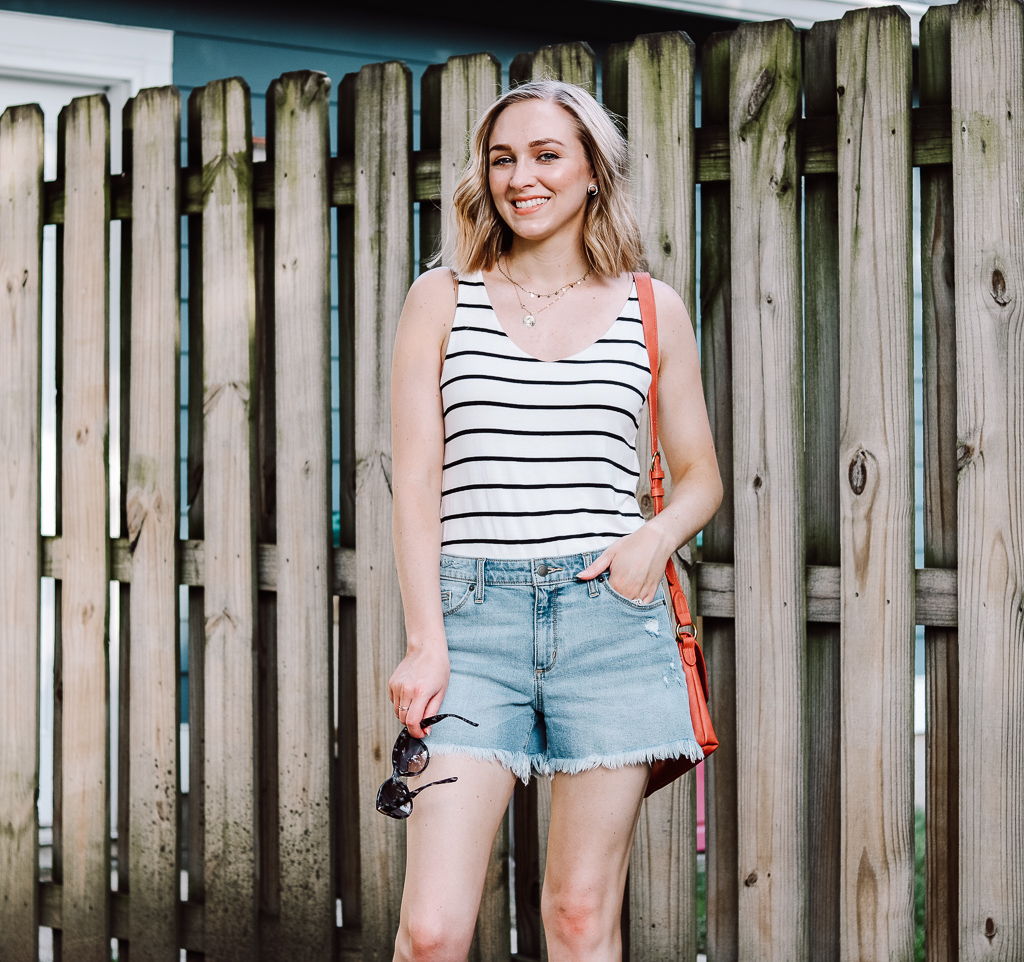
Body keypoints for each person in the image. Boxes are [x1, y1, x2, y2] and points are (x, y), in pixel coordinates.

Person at [386, 79, 722, 962]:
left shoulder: (653, 307)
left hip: (609, 624)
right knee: (430, 932)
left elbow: (699, 478)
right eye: (503, 158)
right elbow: (416, 483)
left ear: (591, 175)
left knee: (577, 917)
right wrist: (427, 641)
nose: (521, 177)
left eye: (546, 155)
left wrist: (654, 537)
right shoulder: (441, 299)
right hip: (473, 628)